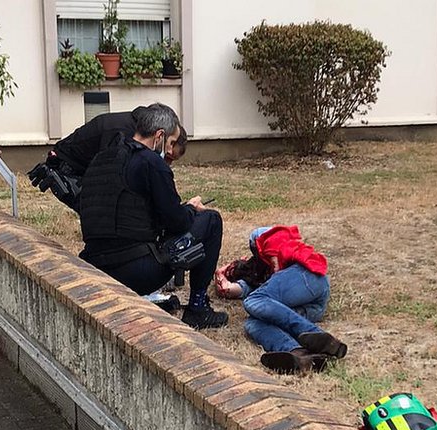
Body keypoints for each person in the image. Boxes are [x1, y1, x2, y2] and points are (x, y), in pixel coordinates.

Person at [77, 103, 228, 329]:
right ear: (159, 135)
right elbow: (177, 222)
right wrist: (190, 208)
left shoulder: (101, 159)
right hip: (135, 271)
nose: (169, 151)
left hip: (93, 266)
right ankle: (198, 309)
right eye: (170, 143)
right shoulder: (151, 162)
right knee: (211, 220)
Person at [215, 226, 348, 373]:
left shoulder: (272, 245)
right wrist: (220, 275)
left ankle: (316, 334)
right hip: (308, 308)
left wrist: (272, 257)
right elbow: (230, 289)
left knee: (253, 300)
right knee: (252, 323)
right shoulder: (256, 279)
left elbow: (269, 237)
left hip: (307, 275)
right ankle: (299, 354)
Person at [29, 106, 187, 212]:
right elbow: (109, 179)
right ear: (160, 133)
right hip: (68, 171)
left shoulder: (131, 126)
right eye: (168, 155)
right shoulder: (124, 134)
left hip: (73, 165)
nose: (167, 156)